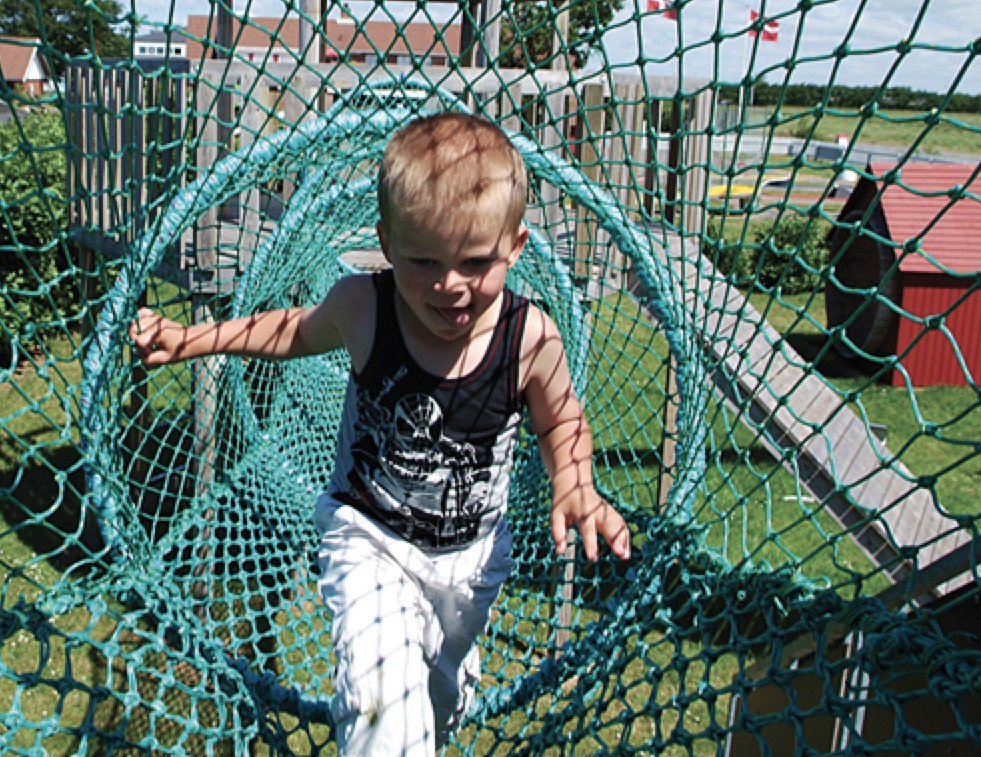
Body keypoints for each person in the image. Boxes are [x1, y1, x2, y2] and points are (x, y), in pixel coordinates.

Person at [132, 112, 632, 755]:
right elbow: (291, 331)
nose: (450, 287)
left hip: (470, 562)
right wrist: (192, 339)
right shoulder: (363, 307)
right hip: (368, 534)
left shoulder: (529, 336)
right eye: (423, 261)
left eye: (475, 262)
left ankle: (445, 686)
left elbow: (561, 417)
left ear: (516, 247)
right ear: (388, 243)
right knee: (387, 711)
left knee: (438, 705)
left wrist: (575, 480)